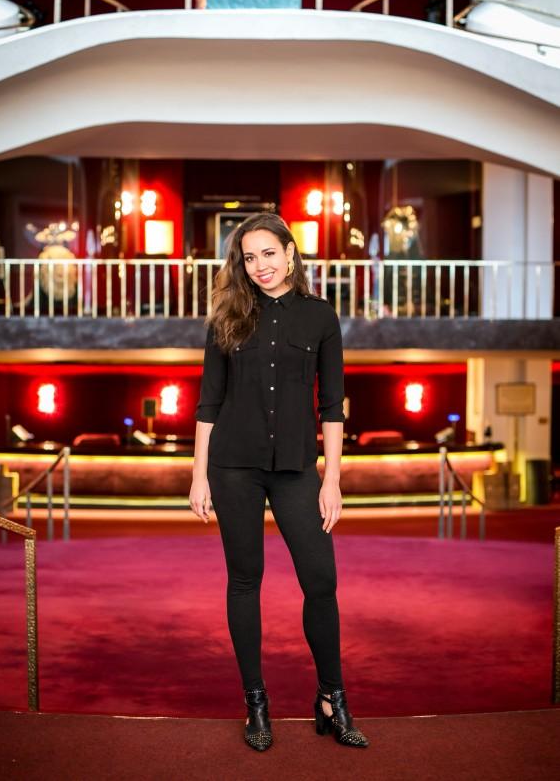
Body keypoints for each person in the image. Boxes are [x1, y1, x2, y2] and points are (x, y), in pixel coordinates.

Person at [189, 212, 369, 752]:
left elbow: (332, 407)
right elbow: (208, 402)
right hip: (233, 468)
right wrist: (198, 476)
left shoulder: (319, 317)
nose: (261, 266)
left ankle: (331, 699)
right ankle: (256, 704)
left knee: (321, 581)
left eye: (269, 253)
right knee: (245, 582)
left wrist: (331, 479)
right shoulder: (227, 316)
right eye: (249, 257)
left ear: (290, 253)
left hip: (296, 470)